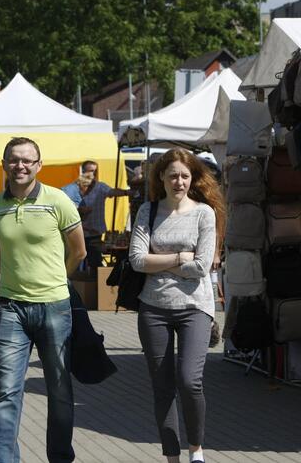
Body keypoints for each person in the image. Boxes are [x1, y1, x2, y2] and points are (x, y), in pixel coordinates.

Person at [0, 137, 86, 463]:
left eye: (28, 160)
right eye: (14, 160)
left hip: (55, 307)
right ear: (5, 164)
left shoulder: (58, 201)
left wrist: (56, 281)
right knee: (7, 393)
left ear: (39, 165)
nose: (21, 166)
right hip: (11, 309)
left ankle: (59, 457)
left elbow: (79, 251)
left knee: (59, 390)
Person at [129, 148, 225, 463]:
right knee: (162, 386)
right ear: (161, 177)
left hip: (195, 306)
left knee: (189, 379)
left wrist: (161, 263)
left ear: (192, 178)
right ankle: (172, 456)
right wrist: (180, 258)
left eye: (184, 175)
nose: (178, 181)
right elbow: (136, 260)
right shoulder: (148, 211)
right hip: (153, 307)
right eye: (172, 175)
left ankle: (196, 450)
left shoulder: (204, 213)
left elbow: (201, 267)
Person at [78, 160, 130, 276]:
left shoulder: (100, 186)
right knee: (77, 263)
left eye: (95, 171)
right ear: (83, 172)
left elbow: (113, 192)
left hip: (94, 233)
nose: (94, 174)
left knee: (95, 262)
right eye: (91, 170)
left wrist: (127, 192)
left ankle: (97, 287)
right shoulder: (77, 187)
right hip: (79, 232)